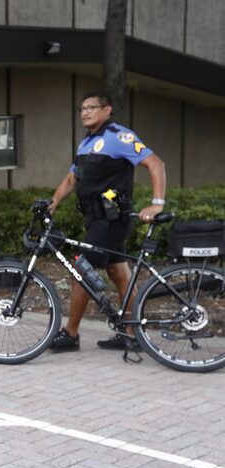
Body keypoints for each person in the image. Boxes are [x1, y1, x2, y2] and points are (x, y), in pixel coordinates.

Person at [48, 92, 166, 352]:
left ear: (107, 110)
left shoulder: (119, 137)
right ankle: (131, 334)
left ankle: (70, 334)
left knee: (83, 270)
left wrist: (157, 204)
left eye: (91, 107)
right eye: (82, 108)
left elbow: (156, 164)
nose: (85, 112)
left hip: (111, 219)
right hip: (96, 219)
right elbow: (71, 180)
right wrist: (53, 203)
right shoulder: (87, 143)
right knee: (119, 274)